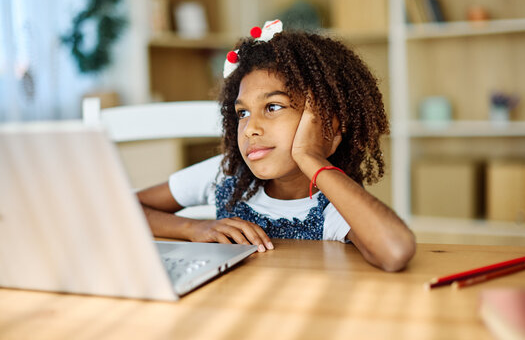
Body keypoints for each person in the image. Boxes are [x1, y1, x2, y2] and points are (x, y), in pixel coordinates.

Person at [137, 20, 416, 272]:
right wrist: (192, 227)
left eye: (272, 107)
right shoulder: (225, 175)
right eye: (242, 113)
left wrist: (310, 157)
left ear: (326, 122)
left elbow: (395, 250)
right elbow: (124, 207)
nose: (250, 128)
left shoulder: (333, 205)